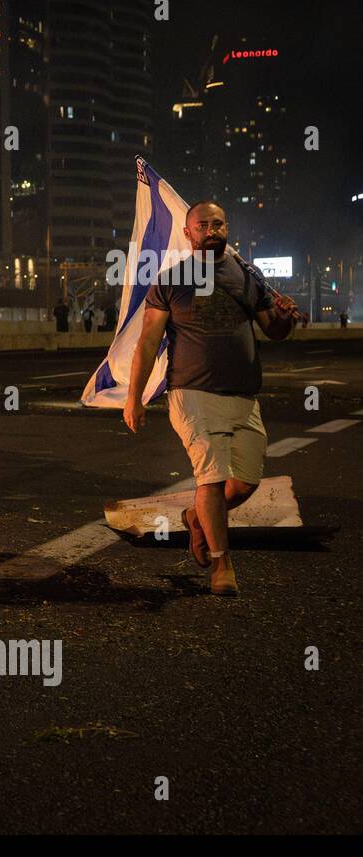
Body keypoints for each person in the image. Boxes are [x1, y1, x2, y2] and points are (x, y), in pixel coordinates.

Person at [124, 200, 302, 596]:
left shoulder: (247, 276)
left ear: (227, 229)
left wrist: (286, 318)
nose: (211, 231)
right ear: (188, 234)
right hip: (192, 393)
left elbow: (273, 330)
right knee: (212, 477)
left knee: (245, 484)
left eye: (217, 224)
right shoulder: (171, 280)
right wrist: (133, 398)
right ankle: (223, 564)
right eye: (202, 225)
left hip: (243, 395)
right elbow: (148, 343)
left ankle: (196, 518)